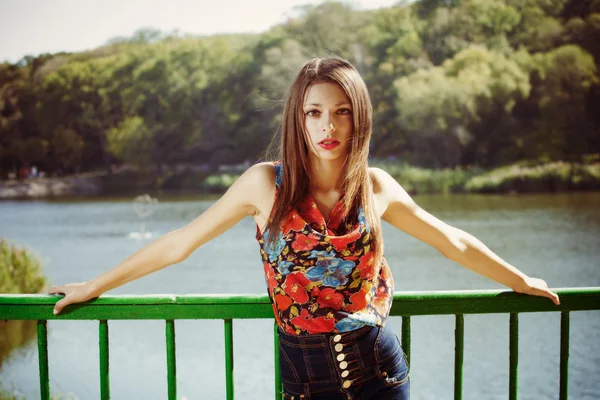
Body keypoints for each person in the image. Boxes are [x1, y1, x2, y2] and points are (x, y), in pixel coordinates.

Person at [50, 57, 560, 399]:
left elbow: (450, 240)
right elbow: (179, 244)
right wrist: (92, 286)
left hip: (379, 370)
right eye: (315, 112)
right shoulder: (262, 185)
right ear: (298, 117)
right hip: (302, 375)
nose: (328, 127)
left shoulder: (375, 187)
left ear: (358, 120)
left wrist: (521, 280)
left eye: (341, 113)